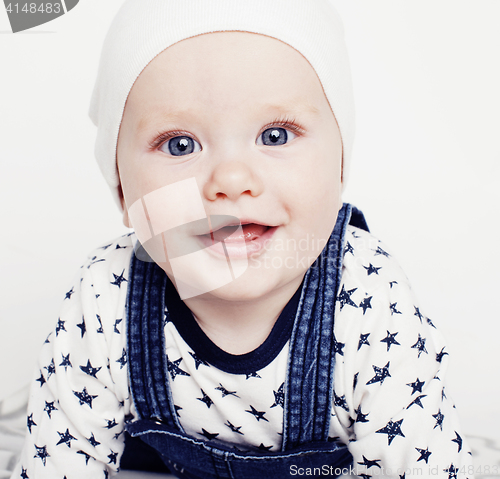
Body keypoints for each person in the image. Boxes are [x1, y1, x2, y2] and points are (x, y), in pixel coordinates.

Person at [11, 0, 475, 478]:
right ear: (123, 189)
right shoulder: (107, 297)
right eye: (179, 144)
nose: (231, 180)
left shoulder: (369, 302)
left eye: (275, 135)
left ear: (340, 168)